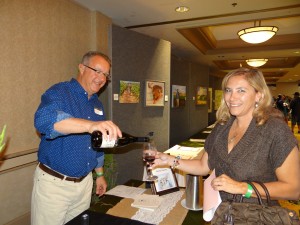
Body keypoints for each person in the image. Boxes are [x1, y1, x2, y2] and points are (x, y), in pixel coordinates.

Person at [153, 68, 300, 213]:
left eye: (241, 90)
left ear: (258, 95)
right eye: (228, 90)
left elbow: (294, 189)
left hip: (258, 217)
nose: (232, 97)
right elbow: (203, 166)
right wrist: (169, 160)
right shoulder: (222, 126)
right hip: (221, 214)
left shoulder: (275, 131)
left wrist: (242, 187)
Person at [31, 51, 122, 225]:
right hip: (55, 185)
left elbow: (97, 144)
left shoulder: (97, 104)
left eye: (105, 75)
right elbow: (44, 121)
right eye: (96, 71)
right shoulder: (60, 92)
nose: (101, 78)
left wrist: (100, 174)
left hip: (85, 184)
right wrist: (89, 125)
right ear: (81, 68)